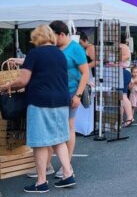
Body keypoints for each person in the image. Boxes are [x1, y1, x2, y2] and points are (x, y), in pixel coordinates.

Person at [0, 25, 76, 192]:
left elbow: (23, 81)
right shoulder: (60, 54)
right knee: (59, 139)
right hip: (62, 101)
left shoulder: (35, 54)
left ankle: (41, 182)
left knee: (40, 142)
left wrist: (7, 86)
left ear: (36, 38)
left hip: (41, 101)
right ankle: (67, 173)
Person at [48, 20, 89, 179]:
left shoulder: (75, 48)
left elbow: (85, 73)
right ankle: (47, 164)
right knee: (53, 127)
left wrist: (78, 95)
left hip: (71, 93)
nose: (52, 39)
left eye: (54, 36)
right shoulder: (54, 47)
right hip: (55, 94)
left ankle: (67, 163)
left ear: (62, 34)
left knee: (69, 127)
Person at [120, 34, 134, 127]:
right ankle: (122, 118)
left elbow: (126, 57)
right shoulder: (124, 46)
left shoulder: (123, 46)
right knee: (121, 96)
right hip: (124, 71)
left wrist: (112, 60)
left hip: (123, 72)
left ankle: (129, 117)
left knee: (123, 95)